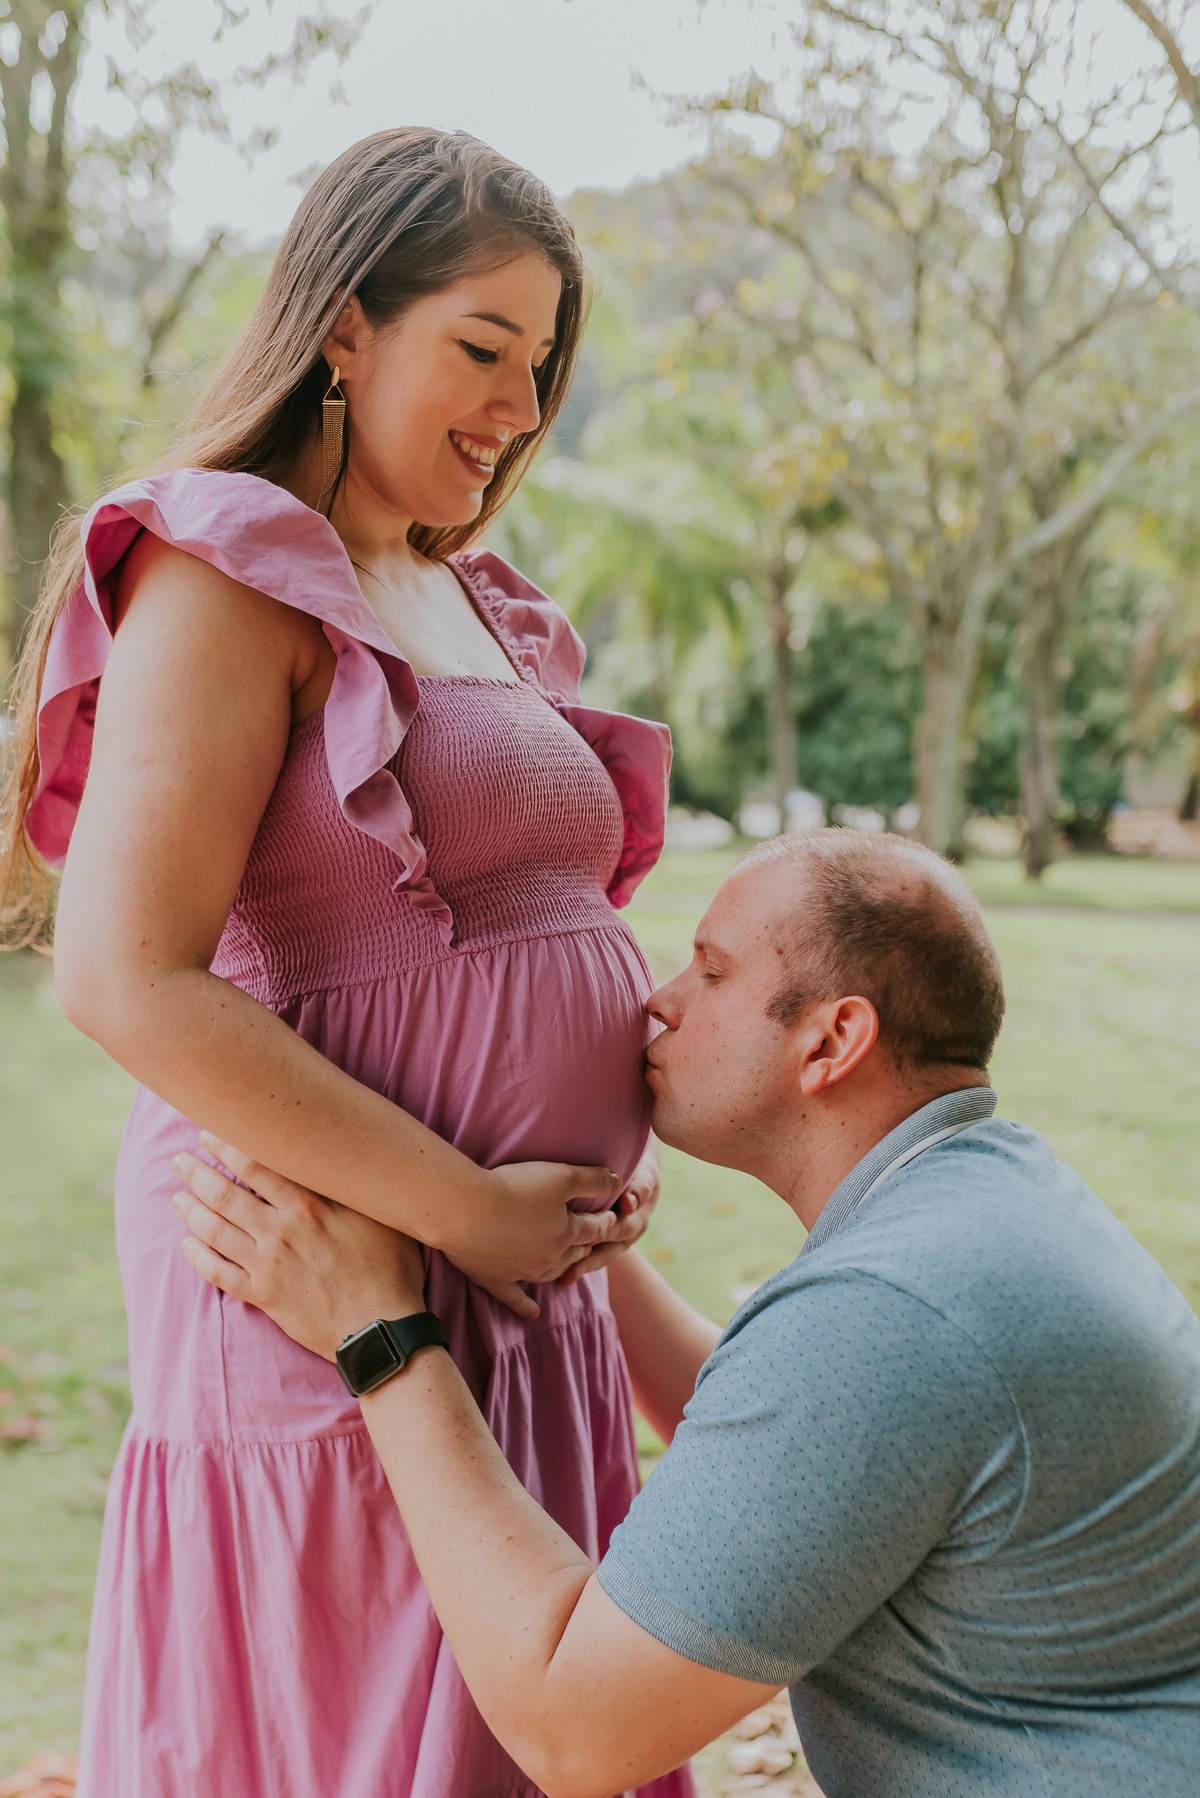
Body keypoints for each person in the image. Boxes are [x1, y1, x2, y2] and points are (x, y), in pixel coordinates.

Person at [0, 130, 693, 1798]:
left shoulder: (468, 596)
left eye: (541, 367)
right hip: (331, 1267)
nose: (520, 409)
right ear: (343, 328)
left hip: (521, 1287)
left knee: (518, 1700)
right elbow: (120, 971)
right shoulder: (226, 561)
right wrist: (468, 1207)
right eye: (482, 349)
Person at [174, 828, 1200, 1798]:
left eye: (711, 972)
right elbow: (804, 1457)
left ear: (833, 1038)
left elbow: (574, 1726)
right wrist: (567, 1248)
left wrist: (380, 1332)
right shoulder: (987, 1204)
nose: (661, 1001)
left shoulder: (883, 1315)